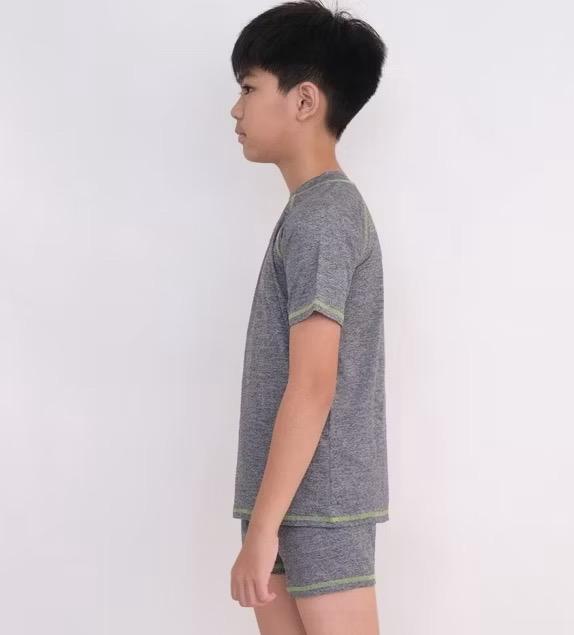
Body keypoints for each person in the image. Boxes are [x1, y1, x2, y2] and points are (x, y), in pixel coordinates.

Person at [228, 1, 389, 632]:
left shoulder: (324, 217)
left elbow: (314, 383)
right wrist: (263, 521)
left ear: (303, 101)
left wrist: (263, 528)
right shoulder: (309, 214)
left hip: (319, 508)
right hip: (289, 502)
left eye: (248, 88)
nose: (236, 109)